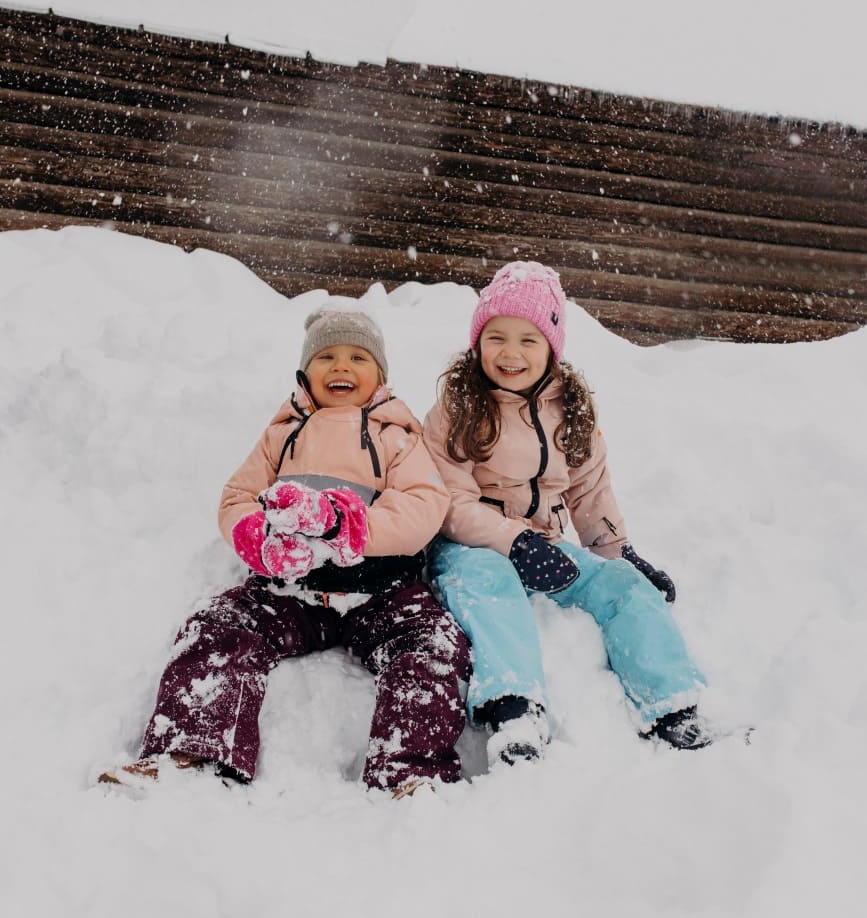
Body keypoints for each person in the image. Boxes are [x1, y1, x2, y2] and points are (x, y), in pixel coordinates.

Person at [100, 308, 470, 797]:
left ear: (381, 377)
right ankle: (193, 748)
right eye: (327, 357)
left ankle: (412, 770)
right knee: (218, 626)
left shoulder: (396, 435)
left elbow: (425, 506)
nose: (341, 367)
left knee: (433, 647)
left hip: (382, 591)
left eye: (358, 357)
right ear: (304, 375)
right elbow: (237, 496)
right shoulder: (284, 433)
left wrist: (349, 527)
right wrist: (256, 538)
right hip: (291, 588)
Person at [422, 260, 710, 769]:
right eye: (497, 338)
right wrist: (512, 542)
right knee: (488, 582)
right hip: (473, 548)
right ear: (477, 342)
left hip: (547, 550)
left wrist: (621, 554)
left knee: (623, 587)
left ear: (552, 348)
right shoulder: (458, 408)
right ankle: (513, 709)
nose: (511, 353)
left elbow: (589, 492)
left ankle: (671, 705)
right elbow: (450, 501)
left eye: (528, 340)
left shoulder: (571, 409)